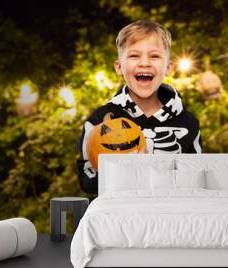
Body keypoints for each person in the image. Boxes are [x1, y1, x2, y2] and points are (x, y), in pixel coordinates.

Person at [76, 20, 202, 194]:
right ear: (119, 67)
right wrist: (122, 172)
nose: (145, 63)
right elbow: (86, 181)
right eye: (134, 56)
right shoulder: (99, 120)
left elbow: (197, 181)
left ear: (168, 67)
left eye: (154, 56)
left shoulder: (188, 123)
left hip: (174, 214)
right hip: (121, 216)